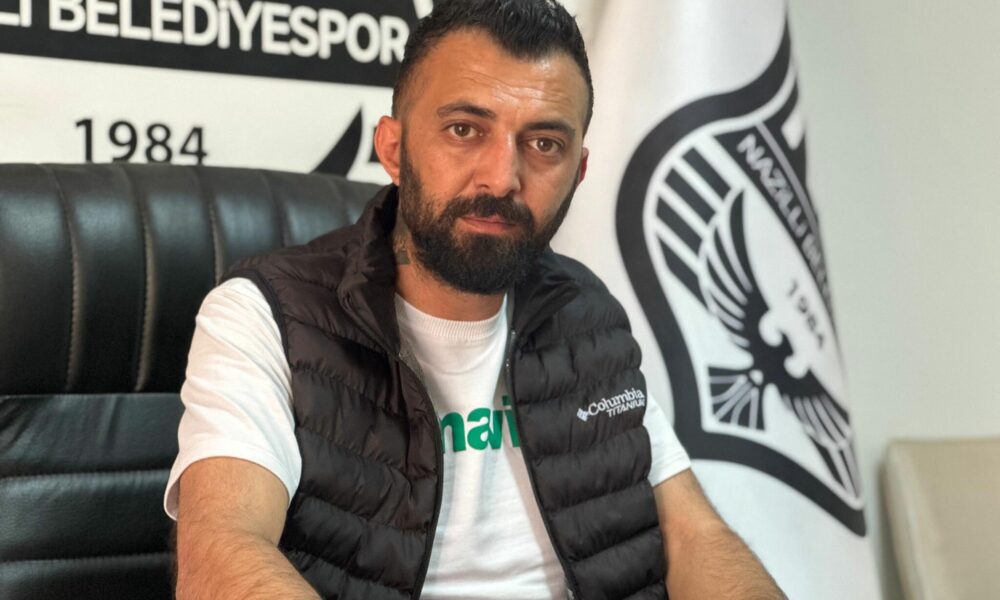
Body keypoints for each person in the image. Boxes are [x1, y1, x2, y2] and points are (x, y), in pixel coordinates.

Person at [166, 1, 786, 598]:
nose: (502, 178)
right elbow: (224, 549)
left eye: (544, 144)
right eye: (464, 130)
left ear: (579, 171)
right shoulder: (268, 315)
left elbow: (693, 534)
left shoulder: (587, 315)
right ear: (393, 149)